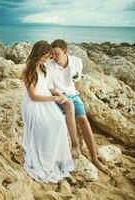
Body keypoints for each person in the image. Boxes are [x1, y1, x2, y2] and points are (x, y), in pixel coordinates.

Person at [46, 39, 109, 174]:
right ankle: (73, 145)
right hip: (58, 97)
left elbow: (76, 82)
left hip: (73, 95)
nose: (54, 57)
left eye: (57, 54)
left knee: (84, 121)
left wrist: (74, 96)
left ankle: (95, 158)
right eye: (52, 54)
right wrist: (61, 96)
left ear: (65, 52)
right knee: (60, 122)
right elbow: (49, 88)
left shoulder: (77, 62)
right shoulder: (49, 66)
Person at [21, 40, 75, 183]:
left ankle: (54, 157)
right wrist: (53, 99)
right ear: (40, 54)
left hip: (46, 101)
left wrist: (58, 94)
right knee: (49, 124)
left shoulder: (43, 68)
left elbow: (46, 87)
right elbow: (33, 96)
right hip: (34, 105)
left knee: (58, 122)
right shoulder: (28, 72)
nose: (50, 57)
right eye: (47, 55)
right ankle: (44, 158)